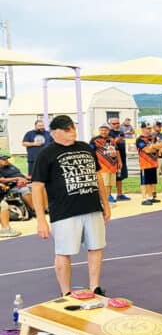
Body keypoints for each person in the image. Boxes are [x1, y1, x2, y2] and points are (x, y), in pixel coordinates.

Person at [32, 115, 111, 302]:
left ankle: (95, 287)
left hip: (92, 207)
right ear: (55, 132)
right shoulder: (46, 153)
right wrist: (41, 219)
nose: (72, 132)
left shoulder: (85, 147)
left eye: (73, 128)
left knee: (96, 247)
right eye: (67, 130)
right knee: (64, 251)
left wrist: (105, 204)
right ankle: (66, 292)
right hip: (64, 211)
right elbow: (37, 186)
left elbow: (97, 176)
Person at [89, 124, 122, 205]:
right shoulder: (94, 140)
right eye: (102, 130)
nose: (104, 132)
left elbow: (117, 151)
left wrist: (120, 161)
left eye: (106, 130)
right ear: (99, 130)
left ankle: (108, 196)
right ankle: (104, 200)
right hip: (102, 165)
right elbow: (91, 151)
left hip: (113, 164)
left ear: (108, 131)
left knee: (110, 183)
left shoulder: (112, 139)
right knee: (105, 183)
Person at [136, 122, 162, 205]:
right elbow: (147, 150)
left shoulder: (153, 138)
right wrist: (154, 147)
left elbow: (160, 146)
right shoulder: (140, 139)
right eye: (147, 128)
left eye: (149, 128)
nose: (149, 130)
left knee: (152, 181)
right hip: (145, 163)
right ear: (142, 129)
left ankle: (151, 197)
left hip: (153, 162)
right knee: (145, 182)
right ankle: (144, 198)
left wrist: (153, 147)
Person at [108, 117, 130, 202]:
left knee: (120, 177)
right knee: (110, 177)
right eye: (114, 123)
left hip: (122, 156)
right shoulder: (109, 133)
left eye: (117, 123)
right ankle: (108, 195)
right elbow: (111, 143)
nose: (116, 125)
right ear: (110, 124)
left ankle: (119, 194)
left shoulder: (121, 132)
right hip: (112, 158)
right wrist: (116, 140)